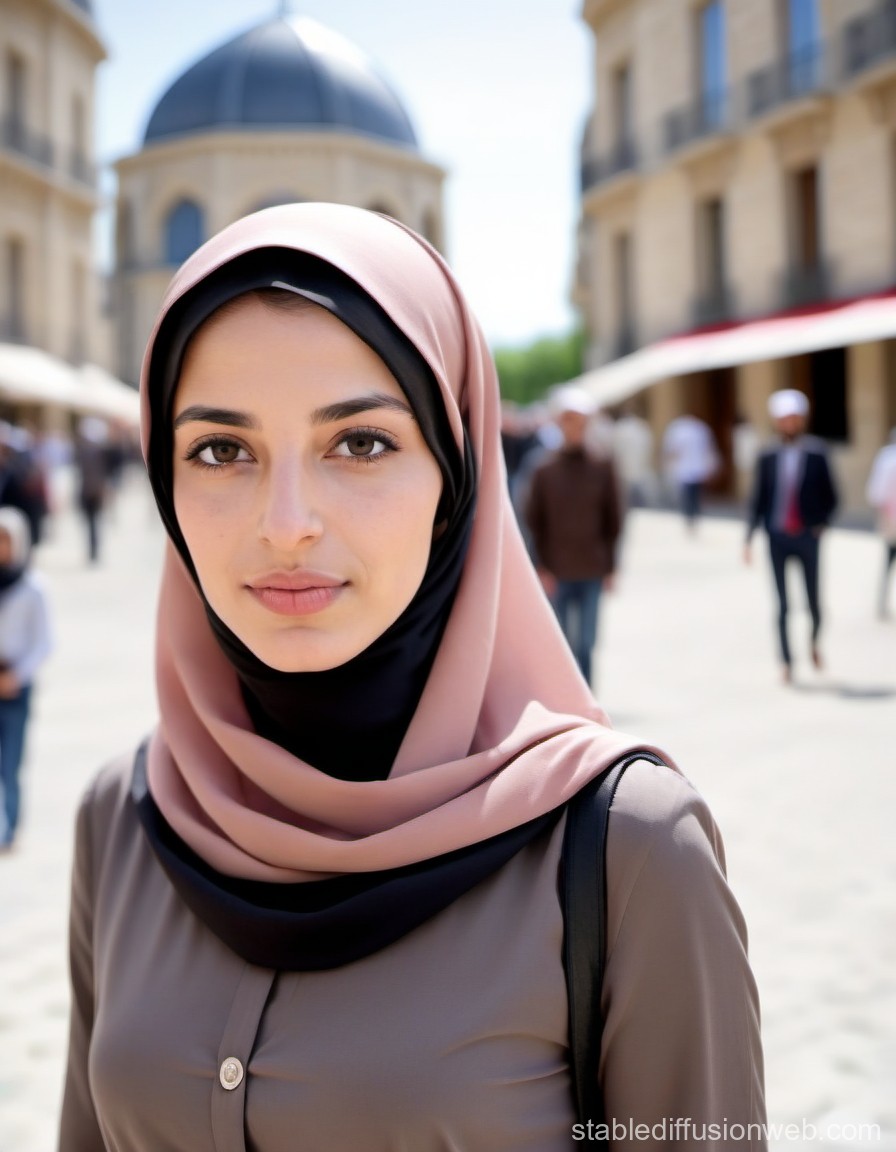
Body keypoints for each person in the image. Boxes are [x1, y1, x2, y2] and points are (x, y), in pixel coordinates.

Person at [59, 203, 765, 1150]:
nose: (286, 522)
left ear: (456, 472)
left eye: (360, 443)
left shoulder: (627, 853)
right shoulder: (126, 817)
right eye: (221, 450)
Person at [524, 386, 623, 687]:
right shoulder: (544, 470)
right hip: (557, 569)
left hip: (592, 567)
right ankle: (567, 699)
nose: (574, 427)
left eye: (579, 421)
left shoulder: (603, 466)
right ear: (559, 423)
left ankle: (588, 698)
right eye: (568, 420)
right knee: (563, 643)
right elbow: (532, 522)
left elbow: (614, 520)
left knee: (587, 643)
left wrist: (611, 567)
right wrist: (540, 566)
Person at [744, 389, 839, 683]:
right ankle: (786, 661)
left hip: (807, 537)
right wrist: (748, 538)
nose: (789, 423)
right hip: (777, 537)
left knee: (813, 602)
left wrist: (820, 524)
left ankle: (813, 643)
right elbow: (758, 499)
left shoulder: (816, 453)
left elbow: (832, 496)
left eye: (794, 418)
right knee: (783, 604)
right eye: (784, 418)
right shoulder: (768, 455)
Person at [0, 507, 53, 850]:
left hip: (15, 685)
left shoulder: (33, 587)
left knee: (11, 762)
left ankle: (11, 830)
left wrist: (16, 676)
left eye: (5, 540)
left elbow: (44, 641)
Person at [661, 412, 720, 531]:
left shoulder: (680, 429)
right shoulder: (700, 429)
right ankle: (693, 516)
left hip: (689, 468)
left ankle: (690, 517)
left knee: (689, 496)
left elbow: (672, 449)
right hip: (694, 468)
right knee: (694, 495)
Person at [866, 428, 896, 618]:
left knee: (888, 562)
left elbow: (875, 493)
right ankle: (882, 604)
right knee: (888, 561)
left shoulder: (886, 458)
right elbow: (877, 492)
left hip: (890, 520)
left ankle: (882, 603)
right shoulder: (887, 458)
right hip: (891, 520)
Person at [74, 417, 110, 564]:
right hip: (91, 491)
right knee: (92, 523)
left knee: (93, 523)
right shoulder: (94, 452)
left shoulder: (92, 452)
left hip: (92, 491)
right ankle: (93, 550)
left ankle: (94, 550)